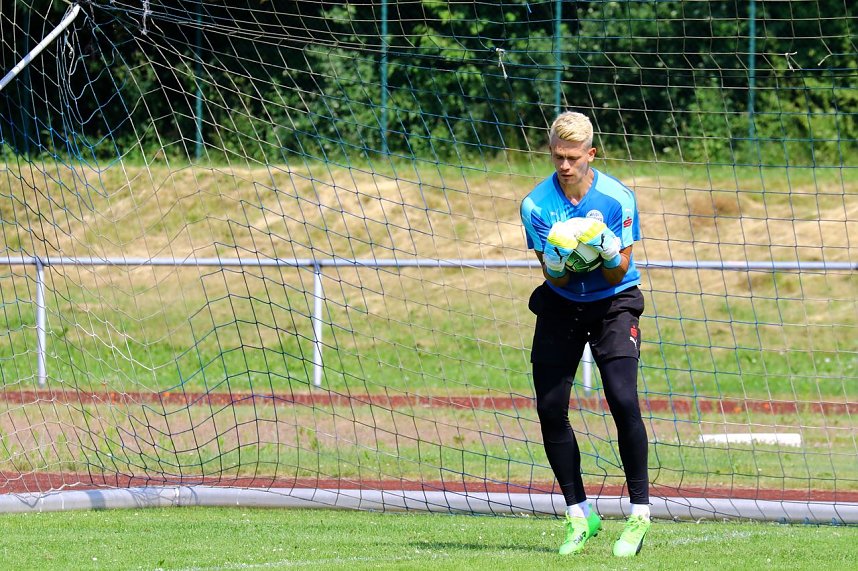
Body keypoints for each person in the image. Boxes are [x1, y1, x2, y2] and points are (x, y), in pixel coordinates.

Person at [519, 111, 651, 557]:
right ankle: (579, 514)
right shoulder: (536, 206)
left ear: (590, 154)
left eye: (573, 157)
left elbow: (621, 267)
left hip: (614, 300)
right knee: (550, 407)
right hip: (562, 303)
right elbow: (551, 278)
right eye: (557, 156)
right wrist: (557, 263)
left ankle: (638, 515)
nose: (564, 165)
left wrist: (608, 248)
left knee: (622, 398)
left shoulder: (618, 199)